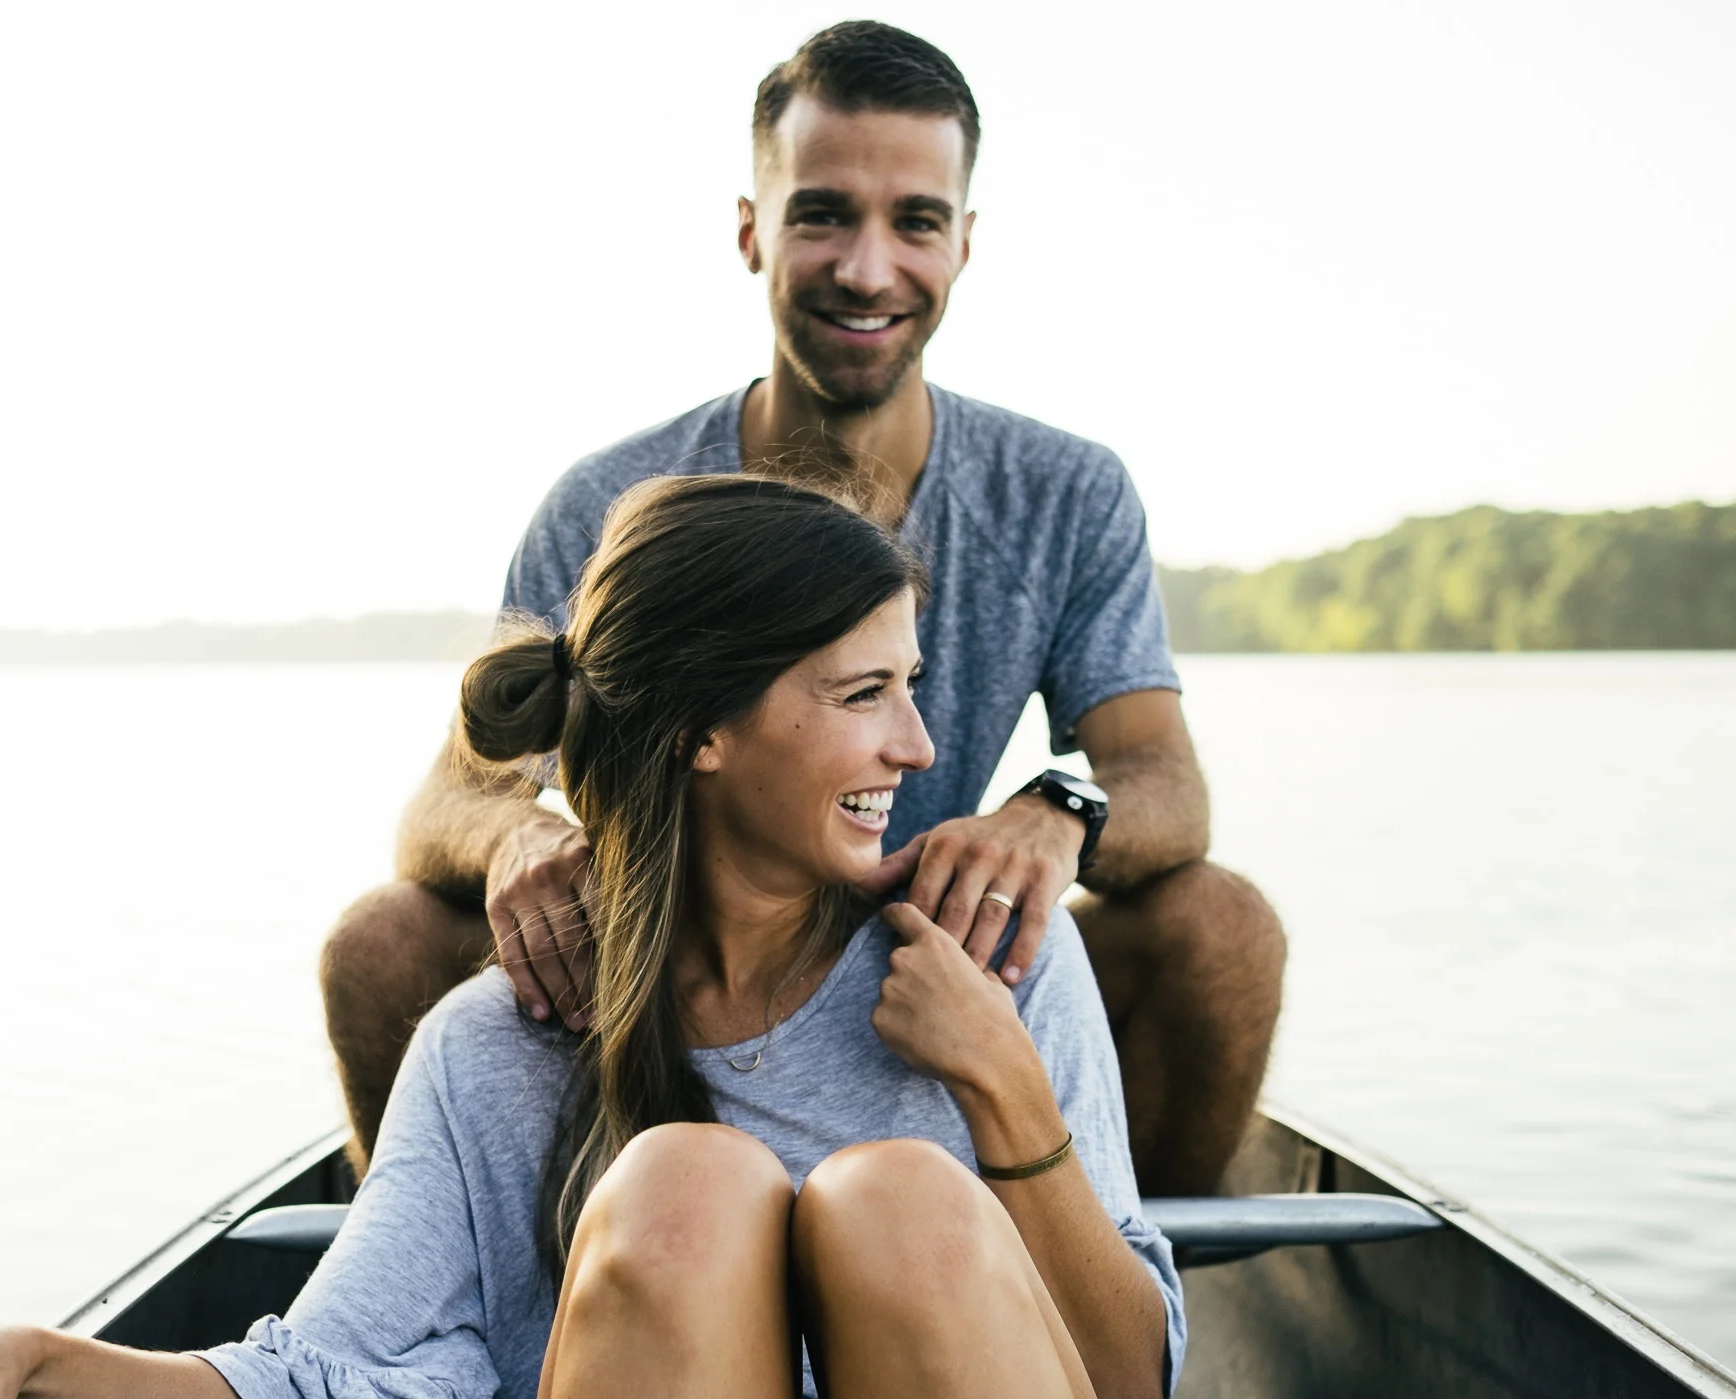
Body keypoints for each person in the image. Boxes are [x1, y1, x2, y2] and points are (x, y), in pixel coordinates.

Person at [0, 475, 1190, 1399]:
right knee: (677, 1191)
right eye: (864, 692)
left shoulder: (994, 953)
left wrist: (1003, 1087)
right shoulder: (494, 1045)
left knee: (895, 1198)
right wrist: (23, 1358)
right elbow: (307, 1392)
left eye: (912, 683)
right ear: (702, 727)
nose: (923, 740)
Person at [323, 21, 1286, 1198]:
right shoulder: (608, 499)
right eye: (824, 213)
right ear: (751, 232)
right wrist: (516, 834)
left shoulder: (1067, 491)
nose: (869, 267)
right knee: (381, 946)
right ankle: (438, 1317)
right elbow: (450, 795)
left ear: (965, 244)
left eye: (915, 222)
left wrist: (1057, 808)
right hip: (661, 975)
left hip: (924, 955)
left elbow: (1166, 784)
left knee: (1221, 929)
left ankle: (1129, 1278)